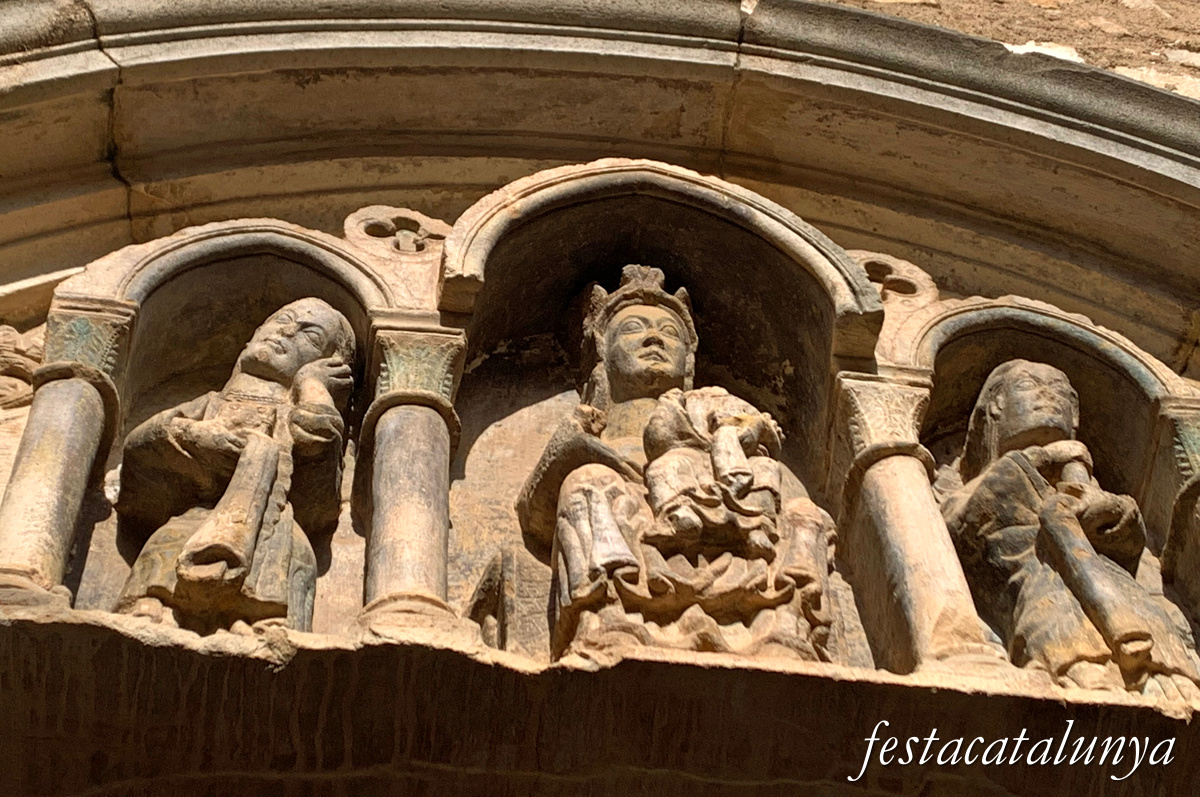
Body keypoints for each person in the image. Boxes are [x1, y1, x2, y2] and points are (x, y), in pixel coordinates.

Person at [518, 266, 834, 661]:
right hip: (641, 540)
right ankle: (607, 622)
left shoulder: (713, 414)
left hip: (731, 523)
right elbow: (534, 512)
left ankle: (783, 631)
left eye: (670, 333)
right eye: (633, 328)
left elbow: (770, 467)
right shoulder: (589, 430)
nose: (654, 338)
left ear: (688, 360)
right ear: (603, 350)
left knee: (804, 512)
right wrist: (575, 452)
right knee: (587, 481)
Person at [939, 359, 1200, 699]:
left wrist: (1116, 512)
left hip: (1129, 604)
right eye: (1027, 386)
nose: (1047, 396)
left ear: (1075, 413)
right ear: (996, 407)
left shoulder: (1082, 475)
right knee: (1081, 675)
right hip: (1048, 605)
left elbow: (1128, 550)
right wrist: (1041, 460)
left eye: (1059, 391)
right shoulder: (967, 489)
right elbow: (968, 527)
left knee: (1171, 677)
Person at [114, 298, 354, 634]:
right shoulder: (212, 402)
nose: (286, 332)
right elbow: (141, 447)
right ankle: (154, 607)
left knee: (290, 553)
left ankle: (260, 619)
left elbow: (319, 497)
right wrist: (191, 434)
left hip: (273, 523)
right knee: (171, 537)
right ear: (254, 334)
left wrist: (312, 386)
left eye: (309, 337)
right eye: (282, 320)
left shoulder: (297, 413)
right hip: (200, 515)